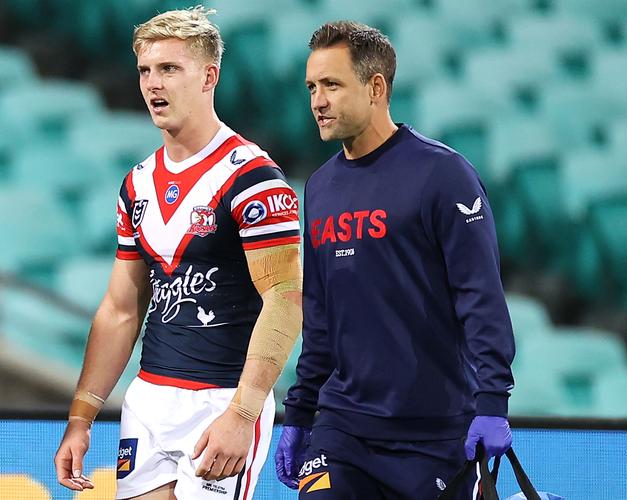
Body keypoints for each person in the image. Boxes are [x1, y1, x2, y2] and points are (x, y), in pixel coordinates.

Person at [54, 6, 303, 499]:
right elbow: (121, 309)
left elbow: (285, 298)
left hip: (220, 402)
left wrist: (243, 413)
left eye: (169, 69)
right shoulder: (137, 183)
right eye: (145, 70)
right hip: (147, 399)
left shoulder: (253, 177)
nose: (153, 84)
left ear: (209, 76)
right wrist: (80, 418)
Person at [274, 21, 515, 499]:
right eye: (311, 87)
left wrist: (493, 401)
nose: (317, 101)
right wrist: (300, 412)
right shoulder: (319, 188)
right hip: (344, 430)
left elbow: (480, 295)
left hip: (436, 433)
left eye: (332, 85)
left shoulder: (444, 175)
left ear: (376, 87)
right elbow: (319, 317)